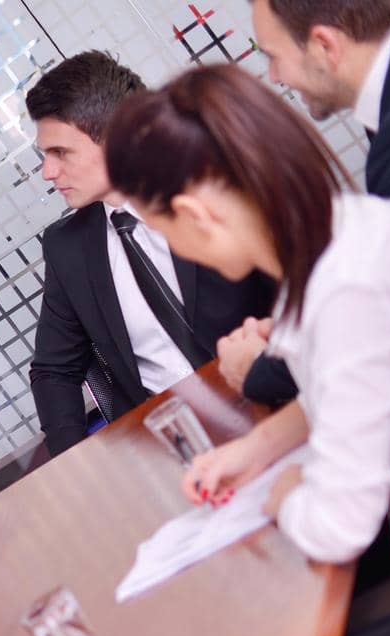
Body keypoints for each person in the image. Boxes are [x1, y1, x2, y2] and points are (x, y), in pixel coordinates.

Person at [105, 63, 390, 564]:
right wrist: (256, 449)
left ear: (196, 215)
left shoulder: (342, 288)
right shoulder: (345, 235)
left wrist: (287, 494)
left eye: (162, 229)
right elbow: (354, 388)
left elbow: (337, 527)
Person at [24, 51, 278, 457]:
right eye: (44, 156)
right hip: (171, 445)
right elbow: (54, 369)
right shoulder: (67, 246)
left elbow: (296, 296)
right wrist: (77, 464)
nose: (48, 172)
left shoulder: (213, 190)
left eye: (61, 153)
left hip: (273, 396)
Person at [219, 0, 390, 401]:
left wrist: (261, 369)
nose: (274, 76)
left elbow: (386, 319)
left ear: (324, 45)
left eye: (272, 56)